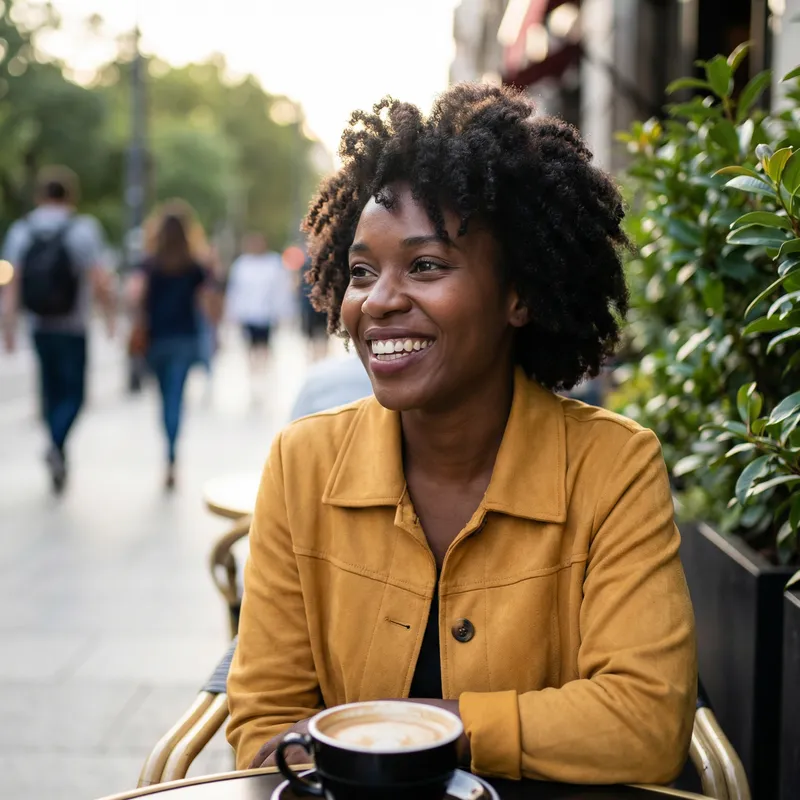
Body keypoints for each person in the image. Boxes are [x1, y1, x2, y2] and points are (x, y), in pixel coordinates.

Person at [226, 85, 697, 785]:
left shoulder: (613, 466)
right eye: (361, 272)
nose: (379, 301)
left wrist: (422, 729)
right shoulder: (303, 463)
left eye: (425, 265)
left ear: (519, 295)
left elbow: (643, 720)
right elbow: (265, 731)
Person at [0, 165, 114, 493]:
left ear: (40, 195)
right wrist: (108, 316)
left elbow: (12, 283)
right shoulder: (82, 229)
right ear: (70, 196)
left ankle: (55, 443)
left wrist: (8, 325)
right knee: (74, 393)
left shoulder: (22, 231)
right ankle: (57, 442)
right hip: (73, 325)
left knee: (49, 390)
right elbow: (99, 277)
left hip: (38, 324)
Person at [128, 201, 222, 489]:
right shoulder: (195, 264)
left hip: (156, 340)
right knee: (176, 397)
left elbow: (134, 297)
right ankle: (171, 454)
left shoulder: (148, 262)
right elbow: (210, 301)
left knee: (164, 396)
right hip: (185, 338)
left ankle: (168, 450)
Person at [225, 233, 294, 375]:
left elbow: (281, 289)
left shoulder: (273, 263)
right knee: (250, 344)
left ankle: (263, 369)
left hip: (267, 313)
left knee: (264, 343)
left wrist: (284, 311)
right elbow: (235, 290)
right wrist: (232, 313)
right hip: (248, 313)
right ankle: (253, 370)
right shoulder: (242, 264)